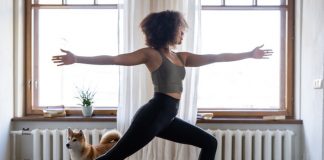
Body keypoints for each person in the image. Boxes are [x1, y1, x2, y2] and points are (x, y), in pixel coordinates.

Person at [52, 10, 272, 160]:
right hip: (152, 116)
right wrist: (78, 58)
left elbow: (216, 57)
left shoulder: (182, 57)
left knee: (209, 143)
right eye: (180, 29)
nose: (183, 32)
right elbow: (114, 59)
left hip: (167, 118)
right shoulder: (151, 55)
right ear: (167, 30)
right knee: (114, 157)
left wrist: (249, 54)